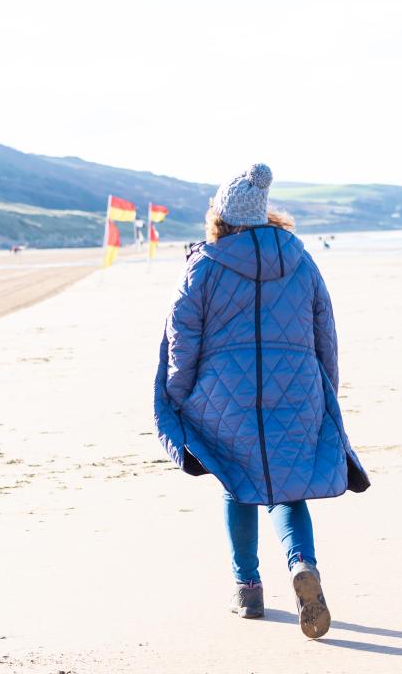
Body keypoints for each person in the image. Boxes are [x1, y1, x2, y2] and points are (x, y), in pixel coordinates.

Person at [154, 163, 370, 640]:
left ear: (220, 217)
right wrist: (324, 391)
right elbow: (324, 332)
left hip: (224, 396)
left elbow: (181, 339)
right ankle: (301, 563)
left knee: (237, 481)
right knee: (288, 487)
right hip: (297, 388)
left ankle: (248, 589)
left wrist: (178, 392)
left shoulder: (204, 264)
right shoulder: (301, 258)